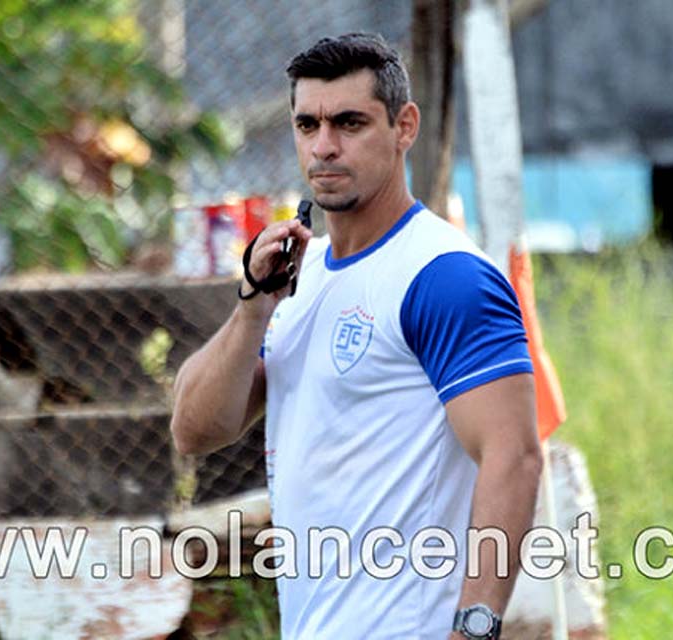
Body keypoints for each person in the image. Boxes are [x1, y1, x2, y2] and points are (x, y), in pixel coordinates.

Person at [171, 32, 542, 640]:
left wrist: (476, 629)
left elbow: (516, 456)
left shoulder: (444, 275)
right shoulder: (300, 275)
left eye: (349, 123)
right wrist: (250, 309)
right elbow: (194, 430)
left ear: (404, 127)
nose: (324, 147)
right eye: (307, 125)